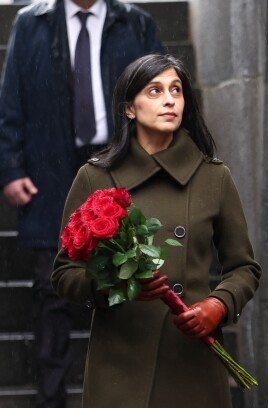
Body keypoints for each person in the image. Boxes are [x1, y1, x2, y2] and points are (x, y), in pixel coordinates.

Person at [51, 54, 261, 408]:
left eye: (176, 90)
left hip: (192, 358)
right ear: (130, 108)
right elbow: (63, 273)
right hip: (120, 363)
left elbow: (244, 268)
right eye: (155, 90)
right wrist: (118, 283)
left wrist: (218, 304)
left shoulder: (214, 176)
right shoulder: (95, 177)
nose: (169, 100)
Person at [0, 0, 163, 406]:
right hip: (50, 169)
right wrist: (11, 168)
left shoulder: (136, 23)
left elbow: (164, 98)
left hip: (122, 165)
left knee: (130, 280)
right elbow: (11, 102)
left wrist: (157, 167)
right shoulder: (30, 23)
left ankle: (129, 396)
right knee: (49, 286)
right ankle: (50, 397)